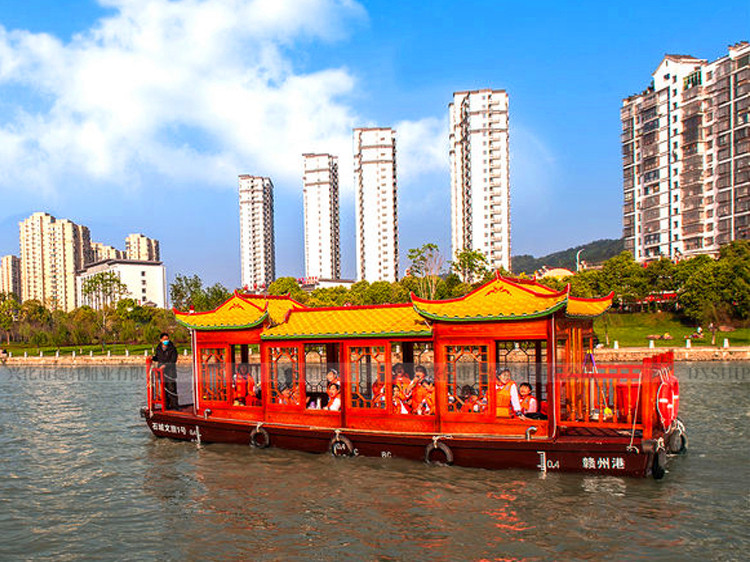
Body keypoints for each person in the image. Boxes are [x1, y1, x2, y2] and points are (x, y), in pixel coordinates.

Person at [152, 332, 178, 410]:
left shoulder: (172, 348)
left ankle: (174, 406)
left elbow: (173, 360)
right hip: (161, 373)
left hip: (170, 372)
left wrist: (165, 365)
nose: (166, 340)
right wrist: (152, 358)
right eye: (164, 339)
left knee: (171, 389)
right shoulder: (158, 348)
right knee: (164, 390)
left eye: (167, 339)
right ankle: (166, 406)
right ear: (161, 340)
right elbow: (158, 357)